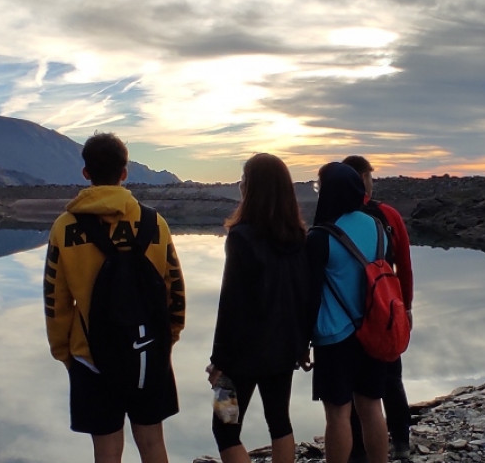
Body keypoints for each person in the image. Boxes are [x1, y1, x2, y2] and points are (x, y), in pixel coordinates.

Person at [43, 132, 186, 463]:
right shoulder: (154, 223)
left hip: (89, 356)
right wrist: (168, 337)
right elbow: (174, 287)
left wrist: (64, 352)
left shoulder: (64, 227)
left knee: (106, 451)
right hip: (148, 350)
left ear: (86, 174)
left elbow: (56, 300)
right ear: (125, 173)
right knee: (152, 443)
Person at [205, 153, 310, 463]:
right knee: (279, 422)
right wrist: (301, 344)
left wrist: (218, 360)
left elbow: (231, 304)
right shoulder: (299, 237)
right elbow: (303, 296)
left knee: (224, 429)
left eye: (244, 179)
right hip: (283, 349)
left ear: (252, 188)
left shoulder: (240, 237)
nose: (240, 184)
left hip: (239, 356)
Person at [306, 162, 390, 463]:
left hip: (334, 337)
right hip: (375, 330)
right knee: (371, 406)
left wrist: (301, 342)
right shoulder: (378, 227)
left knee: (338, 414)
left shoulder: (320, 237)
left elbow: (310, 296)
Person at [342, 155, 414, 462]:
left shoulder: (338, 216)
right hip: (386, 310)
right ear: (362, 177)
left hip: (351, 317)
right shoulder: (388, 215)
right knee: (391, 378)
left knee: (356, 387)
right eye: (370, 176)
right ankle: (400, 444)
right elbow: (405, 267)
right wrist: (406, 307)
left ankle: (358, 450)